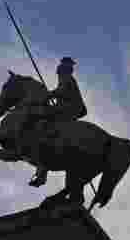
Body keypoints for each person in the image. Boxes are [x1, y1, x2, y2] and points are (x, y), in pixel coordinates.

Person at [28, 56, 87, 187]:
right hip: (68, 107)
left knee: (45, 119)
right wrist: (52, 96)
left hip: (72, 107)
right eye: (63, 64)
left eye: (64, 65)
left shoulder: (66, 76)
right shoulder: (65, 76)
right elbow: (61, 92)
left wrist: (49, 95)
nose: (60, 67)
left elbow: (62, 91)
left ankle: (43, 169)